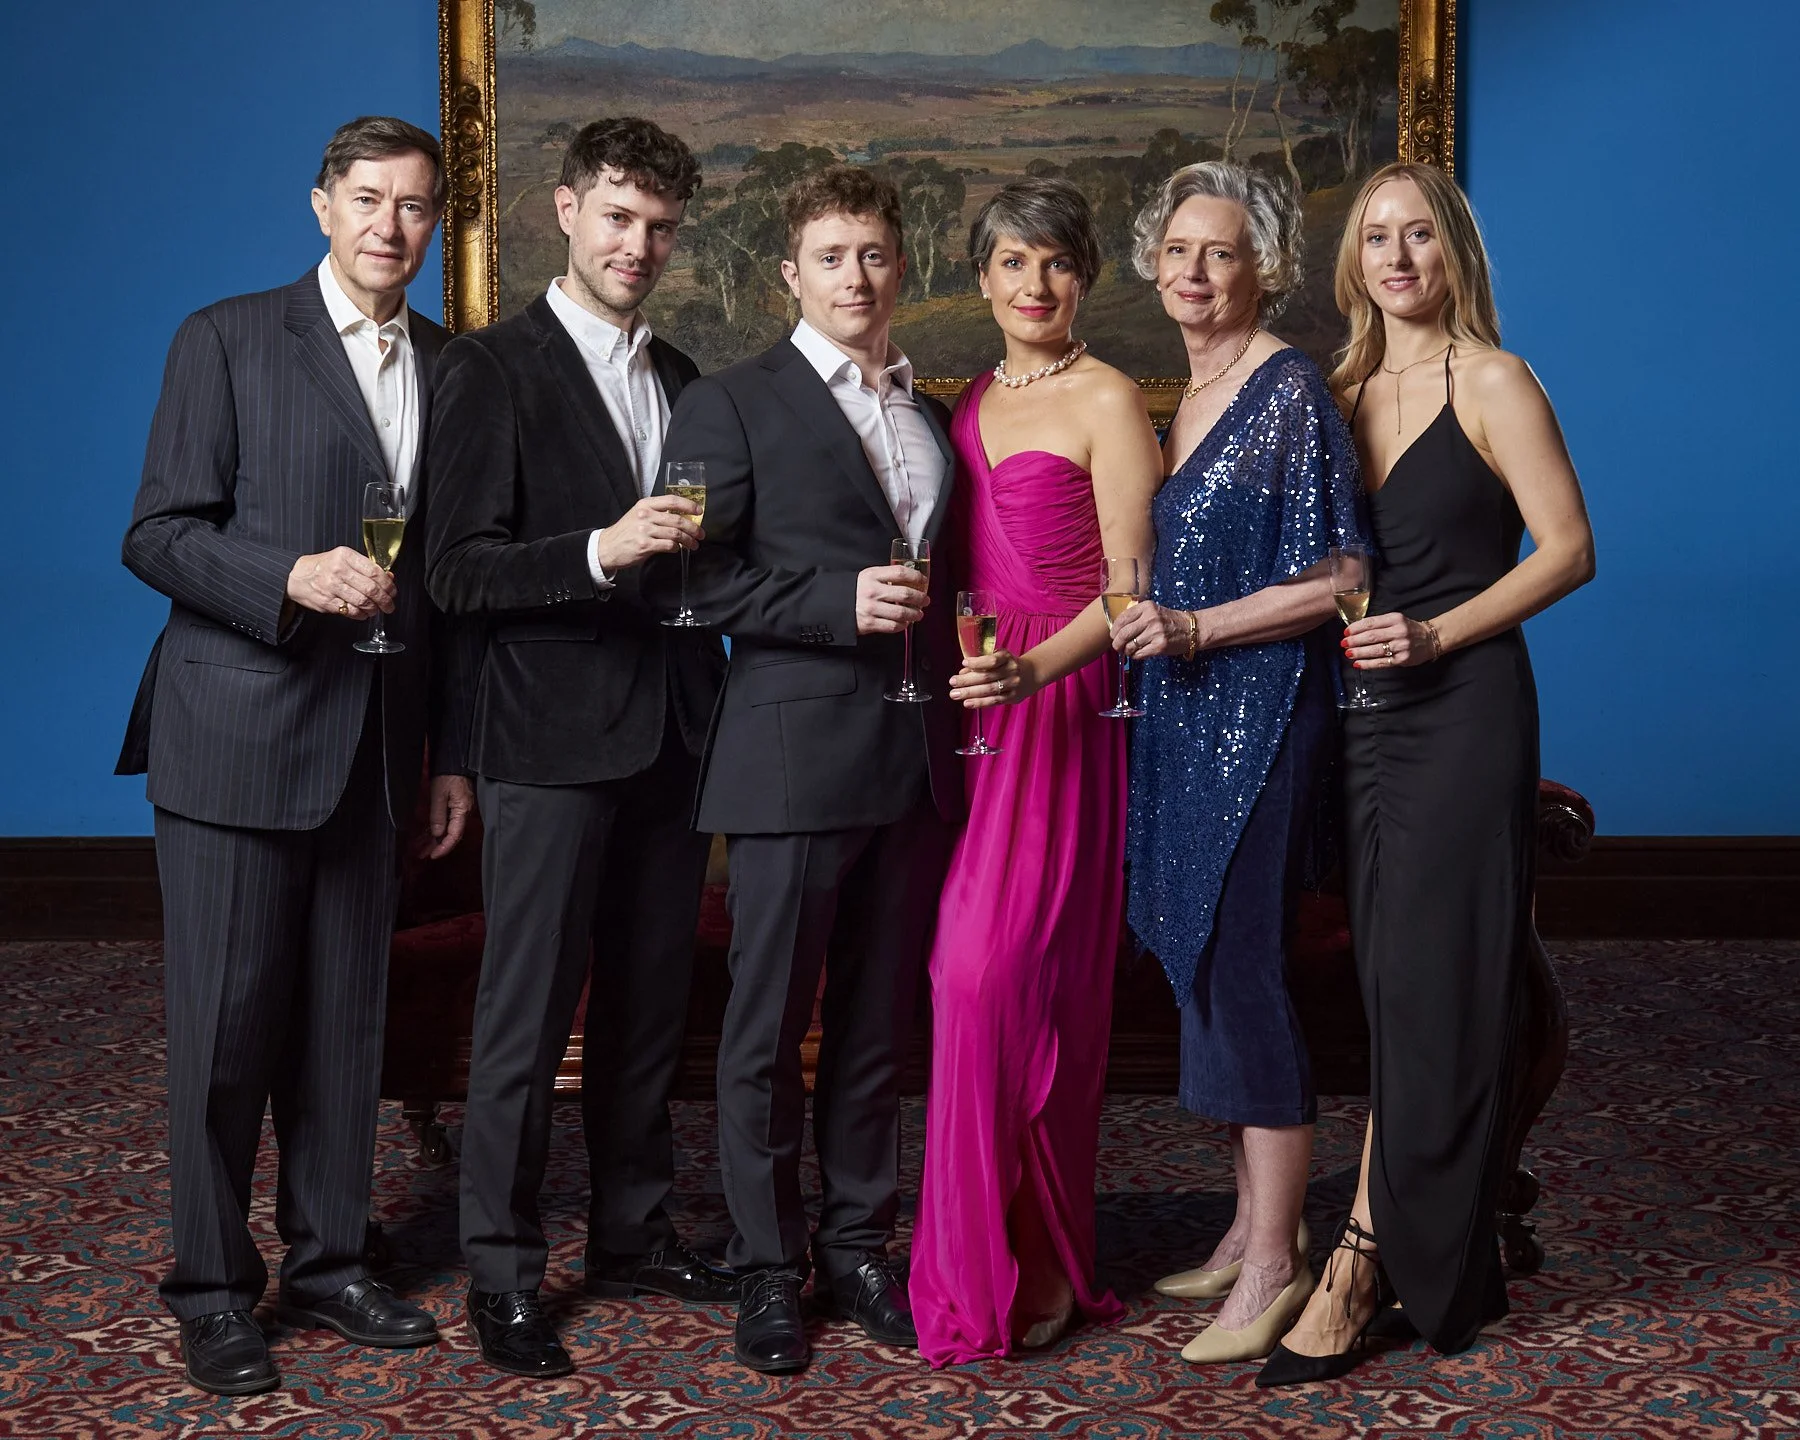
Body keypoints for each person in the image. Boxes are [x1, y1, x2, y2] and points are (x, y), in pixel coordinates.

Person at [116, 116, 477, 1396]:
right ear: (320, 206)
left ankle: (330, 1261)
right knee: (226, 1036)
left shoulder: (451, 364)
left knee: (342, 1031)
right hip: (236, 733)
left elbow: (446, 586)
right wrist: (287, 575)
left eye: (415, 206)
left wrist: (446, 753)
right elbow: (157, 534)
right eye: (367, 199)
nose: (390, 226)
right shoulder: (224, 338)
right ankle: (214, 1290)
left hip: (377, 747)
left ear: (436, 226)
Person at [1259, 163, 1595, 1385]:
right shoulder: (1338, 391)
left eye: (1419, 236)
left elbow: (1570, 550)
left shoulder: (1495, 381)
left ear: (1454, 250)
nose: (1397, 257)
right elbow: (1332, 569)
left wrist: (1439, 634)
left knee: (1442, 984)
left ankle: (1365, 1259)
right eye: (1376, 238)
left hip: (1464, 710)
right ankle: (1421, 1244)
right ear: (1354, 261)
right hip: (1363, 718)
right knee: (1394, 987)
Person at [423, 117, 735, 1380]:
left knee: (650, 1008)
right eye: (617, 218)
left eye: (659, 227)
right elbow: (454, 571)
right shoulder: (488, 369)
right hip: (545, 742)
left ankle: (634, 1232)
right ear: (565, 210)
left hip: (674, 736)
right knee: (525, 1017)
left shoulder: (684, 374)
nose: (637, 246)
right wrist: (602, 550)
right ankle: (501, 1272)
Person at [662, 165, 963, 1376]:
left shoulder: (932, 412)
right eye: (831, 257)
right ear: (790, 274)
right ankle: (764, 1266)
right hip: (788, 761)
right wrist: (835, 604)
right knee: (765, 1028)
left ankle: (857, 1247)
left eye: (875, 254)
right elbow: (687, 580)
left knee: (878, 1027)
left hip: (914, 758)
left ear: (902, 267)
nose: (855, 276)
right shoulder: (730, 404)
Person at [1109, 160, 1368, 1365]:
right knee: (1204, 952)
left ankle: (1276, 1263)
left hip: (1260, 716)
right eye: (1178, 251)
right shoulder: (1190, 394)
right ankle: (1249, 1226)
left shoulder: (1288, 387)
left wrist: (1199, 628)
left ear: (1262, 267)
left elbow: (1340, 579)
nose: (1195, 272)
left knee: (1246, 965)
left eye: (1220, 251)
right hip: (1181, 713)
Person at [906, 178, 1159, 1364]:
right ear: (982, 278)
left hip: (1061, 710)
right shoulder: (965, 401)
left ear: (1086, 275)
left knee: (1003, 980)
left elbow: (1130, 593)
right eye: (1012, 261)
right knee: (969, 982)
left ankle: (1047, 1253)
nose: (1034, 283)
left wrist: (1032, 673)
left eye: (1056, 261)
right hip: (973, 711)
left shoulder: (1110, 398)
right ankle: (987, 1253)